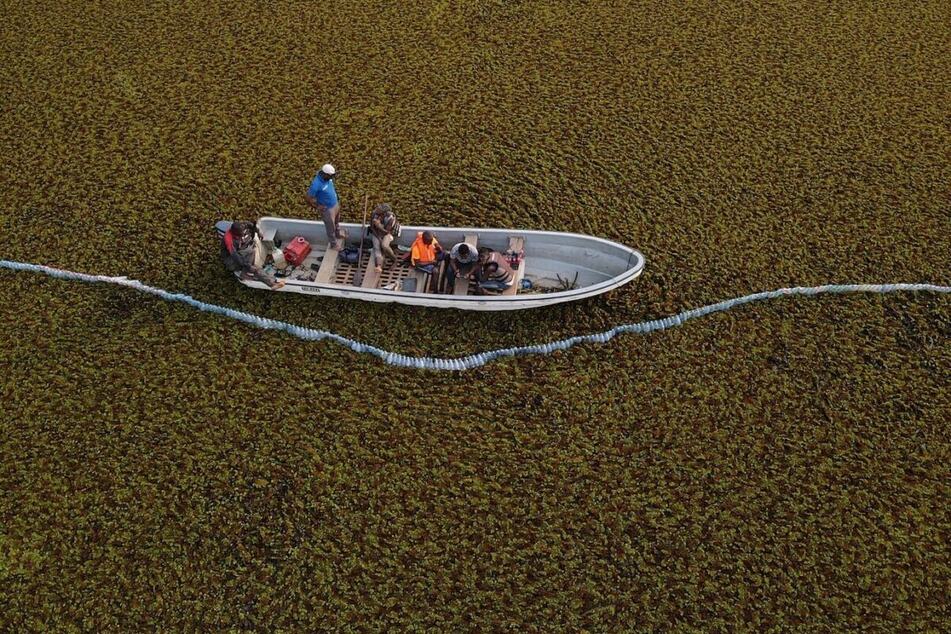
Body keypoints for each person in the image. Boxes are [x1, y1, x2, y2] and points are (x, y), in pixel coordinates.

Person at [222, 221, 285, 290]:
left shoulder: (244, 225)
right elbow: (235, 256)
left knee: (251, 251)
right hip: (231, 260)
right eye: (240, 234)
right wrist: (247, 265)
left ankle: (244, 274)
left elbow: (252, 225)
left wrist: (259, 233)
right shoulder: (228, 239)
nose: (243, 234)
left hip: (242, 252)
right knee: (254, 268)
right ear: (234, 233)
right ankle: (272, 284)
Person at [305, 163, 345, 250]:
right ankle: (334, 244)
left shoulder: (328, 179)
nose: (332, 178)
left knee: (337, 222)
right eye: (330, 176)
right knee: (331, 228)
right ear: (324, 174)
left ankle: (338, 234)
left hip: (335, 204)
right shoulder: (316, 184)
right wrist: (317, 206)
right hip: (327, 209)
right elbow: (308, 198)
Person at [369, 203, 399, 273]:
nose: (377, 209)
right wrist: (378, 237)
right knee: (376, 247)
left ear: (384, 213)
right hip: (376, 233)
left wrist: (379, 225)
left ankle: (395, 260)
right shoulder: (374, 213)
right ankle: (379, 266)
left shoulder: (390, 218)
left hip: (387, 234)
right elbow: (372, 228)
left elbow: (387, 232)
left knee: (384, 246)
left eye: (379, 209)